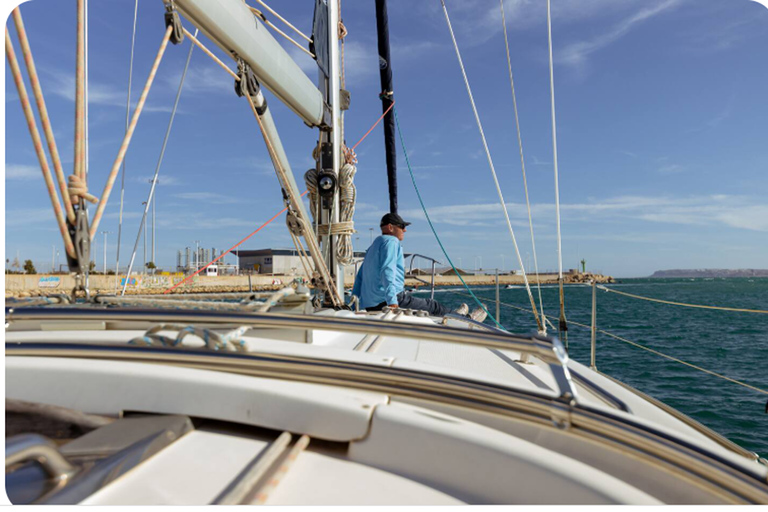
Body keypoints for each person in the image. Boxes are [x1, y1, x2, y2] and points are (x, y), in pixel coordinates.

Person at [352, 212, 486, 321]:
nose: (404, 230)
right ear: (390, 227)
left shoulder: (372, 247)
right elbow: (387, 270)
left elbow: (359, 278)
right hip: (387, 300)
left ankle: (454, 315)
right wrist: (392, 301)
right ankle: (467, 319)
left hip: (369, 305)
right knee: (433, 305)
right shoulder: (391, 242)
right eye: (401, 226)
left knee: (430, 307)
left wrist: (353, 304)